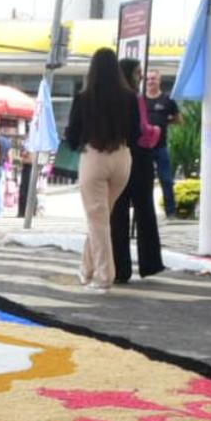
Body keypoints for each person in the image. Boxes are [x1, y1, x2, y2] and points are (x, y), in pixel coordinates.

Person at [65, 46, 140, 292]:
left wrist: (78, 143)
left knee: (97, 219)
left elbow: (73, 134)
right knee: (101, 218)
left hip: (94, 157)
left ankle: (103, 277)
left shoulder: (84, 97)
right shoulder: (130, 97)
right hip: (122, 158)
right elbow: (135, 133)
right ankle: (86, 270)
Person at [110, 57, 167, 284]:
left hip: (117, 158)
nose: (141, 77)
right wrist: (156, 131)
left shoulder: (110, 99)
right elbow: (143, 131)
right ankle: (149, 263)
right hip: (139, 158)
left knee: (118, 213)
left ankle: (119, 267)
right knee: (144, 211)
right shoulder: (136, 99)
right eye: (138, 73)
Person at [144, 69, 181, 218]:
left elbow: (179, 119)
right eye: (148, 79)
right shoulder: (141, 100)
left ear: (159, 80)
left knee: (166, 180)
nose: (151, 81)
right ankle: (146, 211)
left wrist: (165, 122)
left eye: (154, 79)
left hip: (161, 147)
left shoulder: (168, 100)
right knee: (144, 181)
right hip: (144, 148)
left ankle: (171, 211)